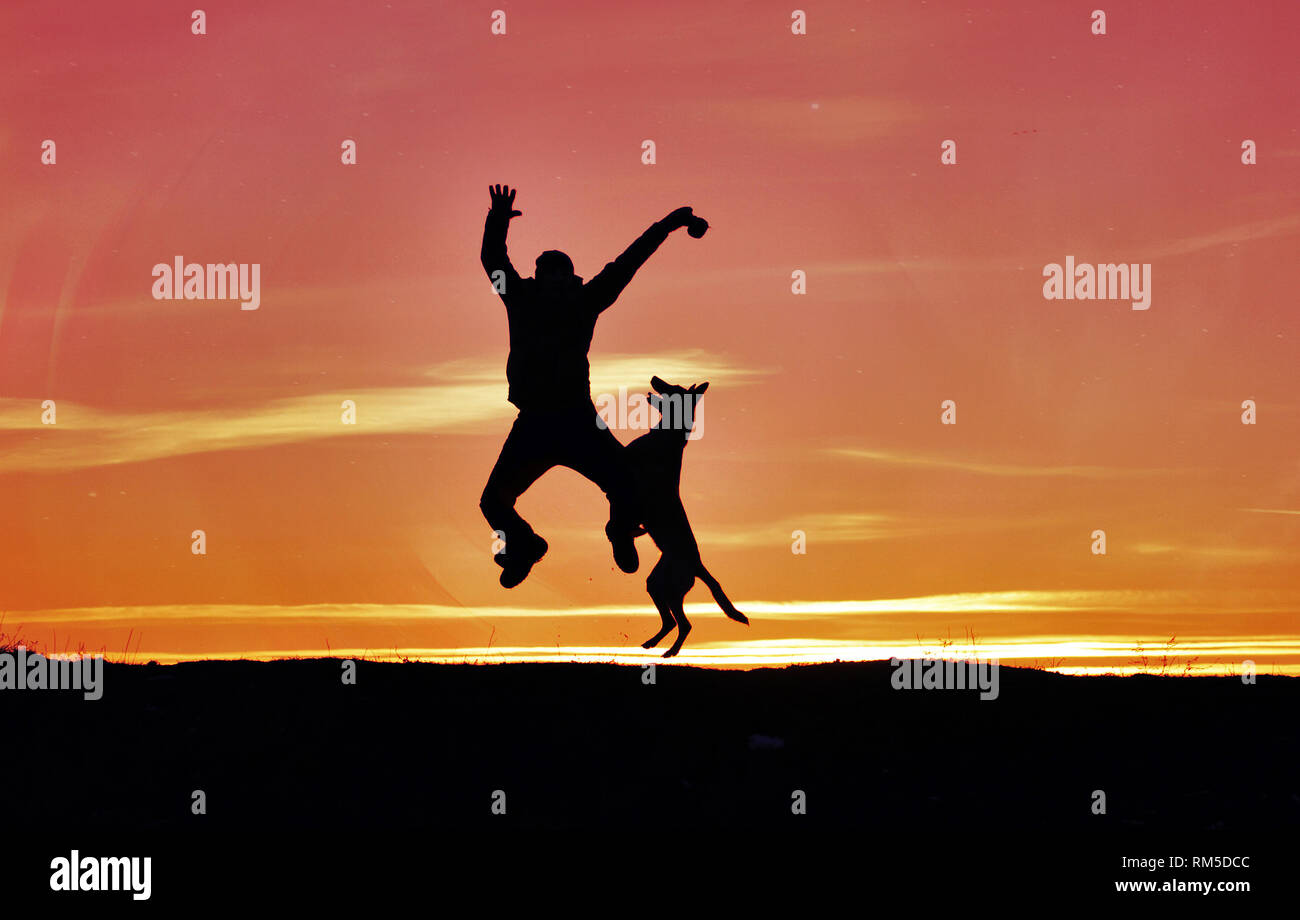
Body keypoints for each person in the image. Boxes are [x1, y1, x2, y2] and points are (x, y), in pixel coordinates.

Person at [478, 184, 705, 588]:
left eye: (559, 276)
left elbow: (628, 262)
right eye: (546, 275)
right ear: (538, 276)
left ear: (568, 278)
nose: (552, 283)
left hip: (577, 421)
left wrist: (668, 226)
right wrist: (497, 219)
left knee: (627, 485)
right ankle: (526, 545)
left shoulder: (585, 300)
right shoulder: (522, 298)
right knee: (493, 502)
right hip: (534, 424)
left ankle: (619, 530)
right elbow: (492, 259)